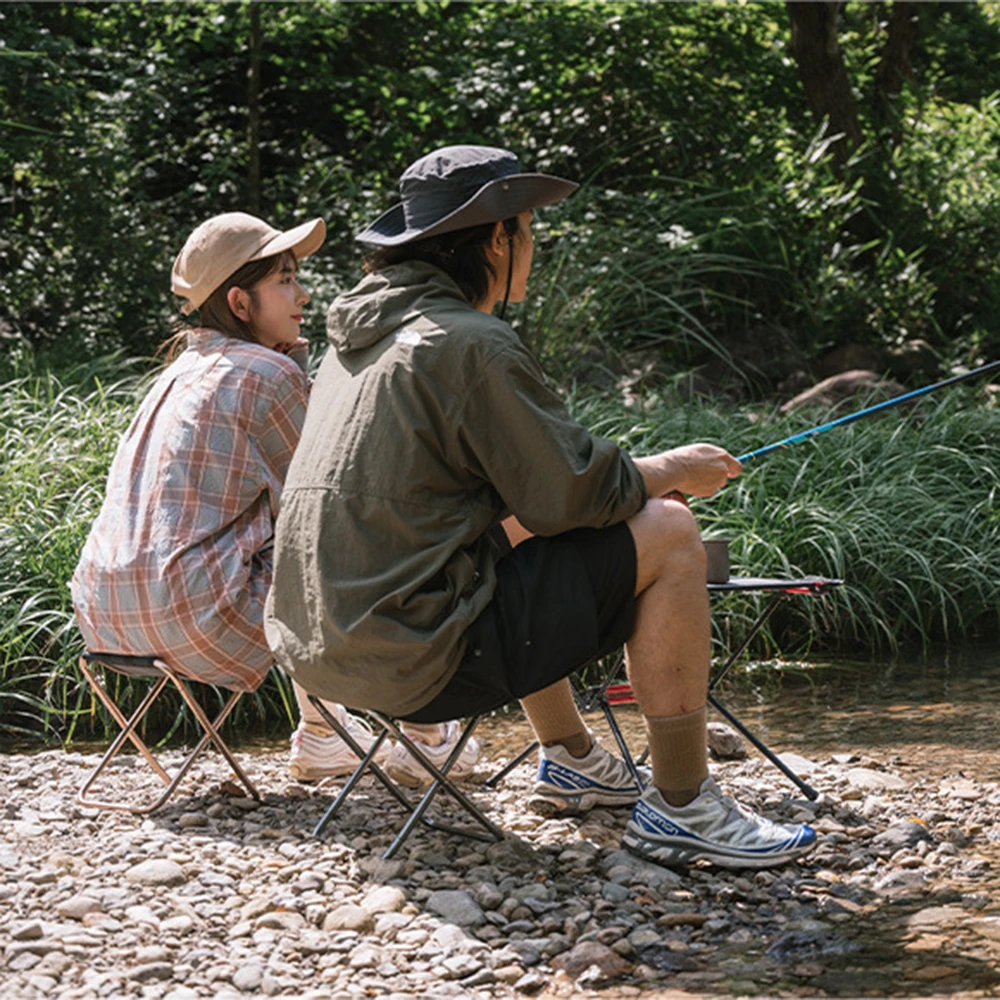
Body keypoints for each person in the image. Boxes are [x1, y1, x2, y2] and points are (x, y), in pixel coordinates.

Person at [265, 146, 816, 869]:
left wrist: (621, 479)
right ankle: (684, 804)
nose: (533, 246)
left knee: (521, 536)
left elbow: (526, 504)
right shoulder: (467, 342)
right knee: (672, 531)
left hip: (322, 661)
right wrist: (671, 470)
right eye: (529, 229)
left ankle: (572, 757)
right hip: (413, 663)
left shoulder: (353, 348)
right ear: (499, 239)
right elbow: (571, 494)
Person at [71, 211, 478, 785]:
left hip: (106, 617)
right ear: (240, 304)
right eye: (286, 279)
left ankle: (322, 735)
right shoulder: (264, 373)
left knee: (283, 543)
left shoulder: (175, 372)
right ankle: (425, 738)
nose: (304, 294)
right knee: (359, 541)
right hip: (193, 617)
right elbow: (333, 511)